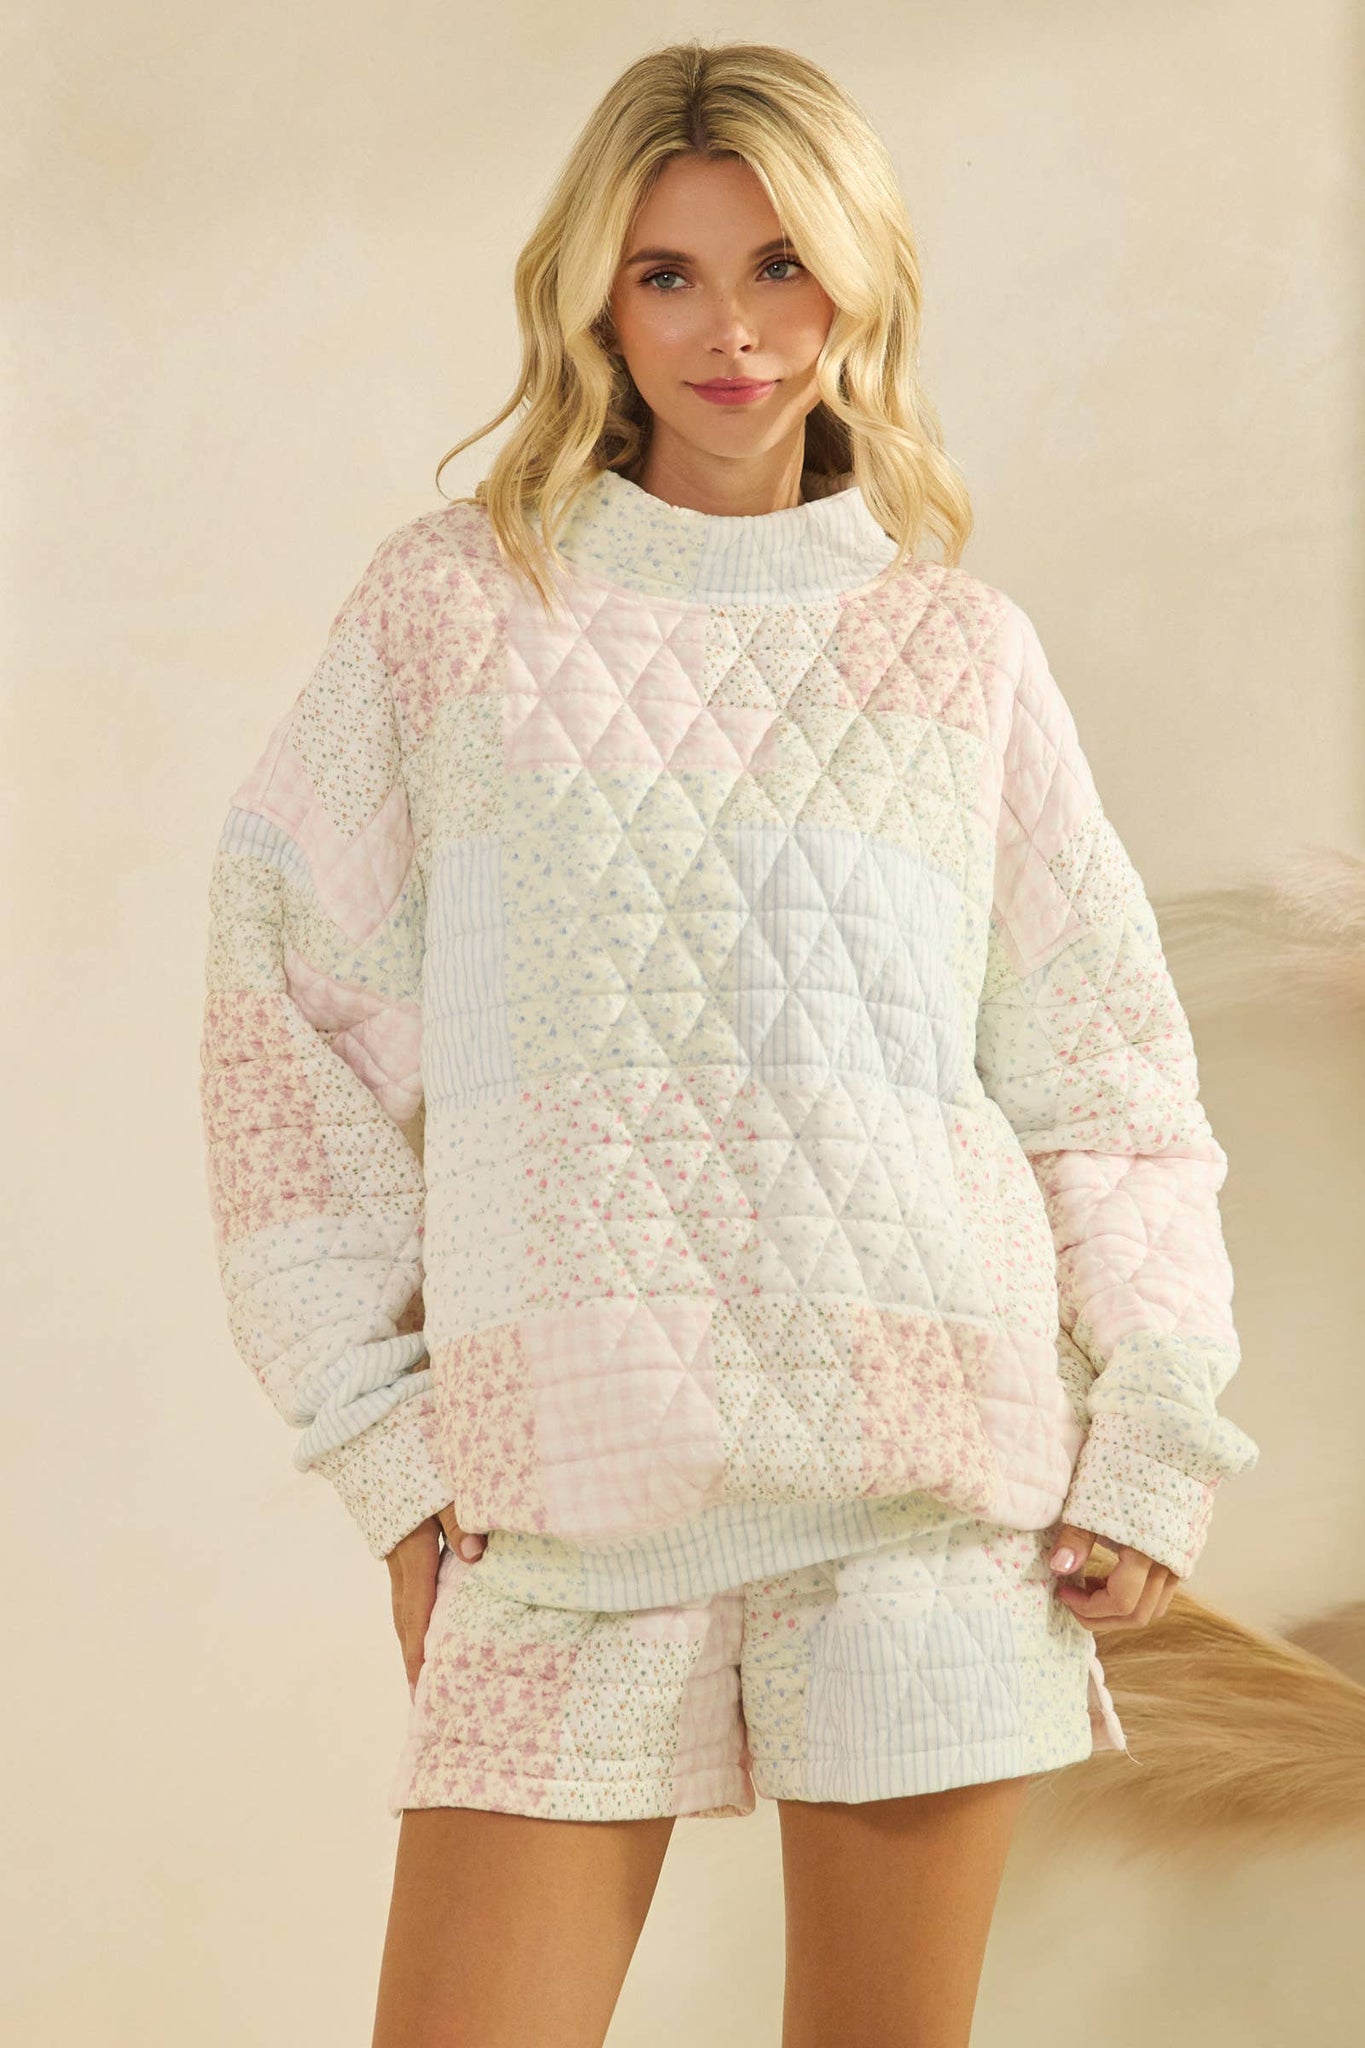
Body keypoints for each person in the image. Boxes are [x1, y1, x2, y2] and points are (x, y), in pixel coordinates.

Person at [197, 37, 1260, 2048]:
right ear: (591, 296)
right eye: (667, 272)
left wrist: (1148, 1436)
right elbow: (284, 1028)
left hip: (929, 1511)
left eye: (779, 265)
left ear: (855, 280)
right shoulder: (451, 612)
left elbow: (1104, 1082)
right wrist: (388, 1451)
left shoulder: (955, 650)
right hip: (561, 1507)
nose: (731, 330)